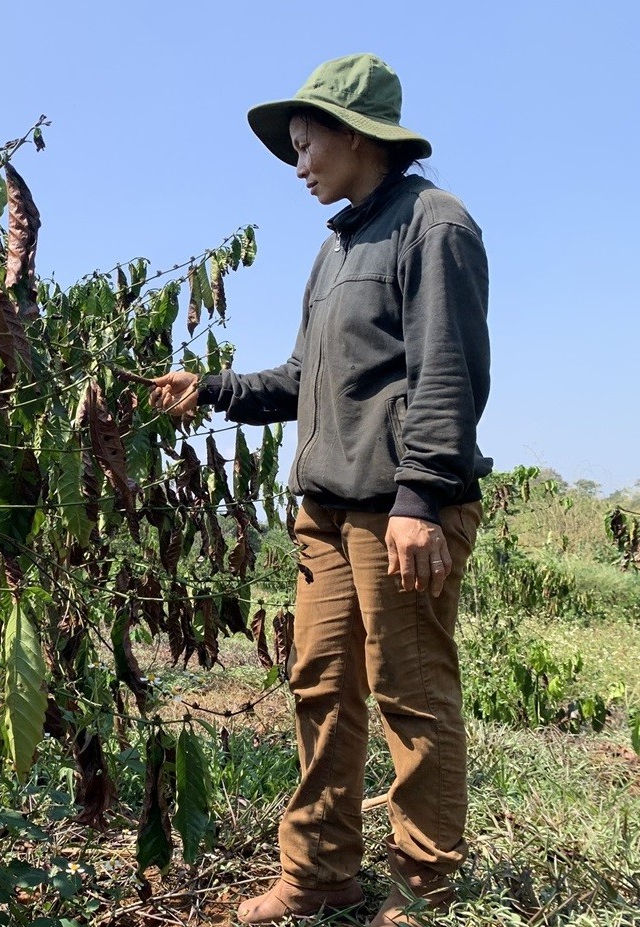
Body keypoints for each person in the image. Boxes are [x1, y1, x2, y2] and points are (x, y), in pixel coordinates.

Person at [150, 53, 491, 927]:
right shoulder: (334, 249)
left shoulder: (434, 224)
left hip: (397, 514)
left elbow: (446, 371)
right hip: (324, 516)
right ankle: (318, 872)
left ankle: (422, 888)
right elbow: (302, 378)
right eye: (293, 149)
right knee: (320, 688)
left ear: (356, 135)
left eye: (307, 145)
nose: (299, 165)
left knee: (410, 695)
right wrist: (212, 387)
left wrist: (421, 499)